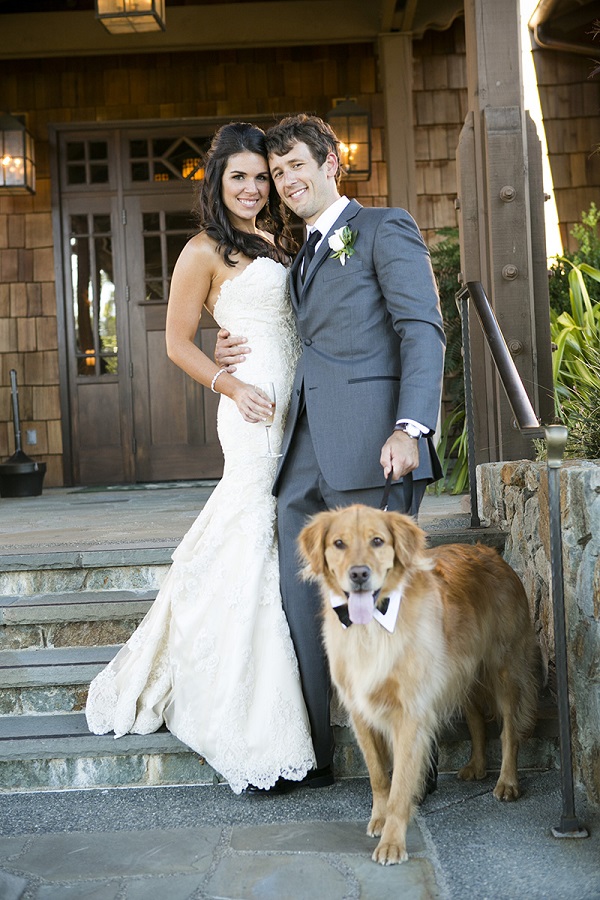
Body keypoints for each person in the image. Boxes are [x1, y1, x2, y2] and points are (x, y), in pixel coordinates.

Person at [215, 114, 446, 792]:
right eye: (276, 171)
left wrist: (410, 428)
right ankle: (310, 753)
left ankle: (412, 770)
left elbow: (422, 329)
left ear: (329, 164)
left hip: (375, 450)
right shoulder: (302, 253)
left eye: (296, 166)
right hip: (302, 455)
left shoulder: (382, 228)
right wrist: (223, 343)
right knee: (303, 601)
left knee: (384, 611)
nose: (286, 180)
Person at [85, 122, 316, 794]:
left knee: (270, 539)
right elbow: (177, 342)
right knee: (250, 541)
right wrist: (231, 384)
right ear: (217, 180)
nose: (252, 188)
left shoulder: (283, 239)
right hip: (251, 410)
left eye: (261, 177)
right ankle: (254, 723)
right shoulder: (203, 250)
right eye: (239, 176)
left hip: (299, 404)